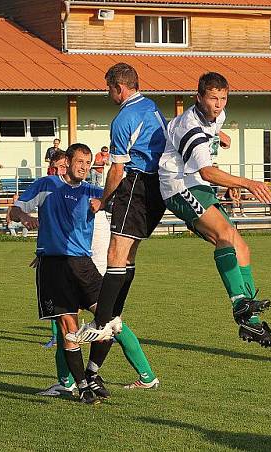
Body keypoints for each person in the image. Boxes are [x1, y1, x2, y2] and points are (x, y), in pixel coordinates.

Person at [11, 145, 160, 400]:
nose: (84, 167)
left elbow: (129, 205)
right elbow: (13, 210)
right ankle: (81, 387)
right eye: (79, 161)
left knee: (111, 321)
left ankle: (92, 373)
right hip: (54, 266)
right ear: (67, 162)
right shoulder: (46, 184)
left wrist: (105, 201)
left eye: (88, 163)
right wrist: (24, 216)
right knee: (68, 328)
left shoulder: (93, 192)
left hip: (84, 264)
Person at [157, 72, 271, 347]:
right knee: (224, 235)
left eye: (223, 98)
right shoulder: (189, 126)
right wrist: (246, 182)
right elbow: (207, 171)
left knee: (243, 249)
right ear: (198, 97)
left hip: (197, 184)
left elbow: (213, 132)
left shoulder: (216, 116)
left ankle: (253, 325)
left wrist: (219, 135)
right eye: (213, 98)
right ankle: (240, 305)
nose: (219, 104)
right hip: (179, 185)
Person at [68, 63, 168, 344]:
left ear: (119, 88)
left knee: (115, 255)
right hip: (157, 188)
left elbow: (116, 170)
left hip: (137, 185)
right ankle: (114, 316)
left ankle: (102, 322)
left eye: (108, 87)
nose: (107, 92)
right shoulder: (152, 107)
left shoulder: (124, 118)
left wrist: (102, 199)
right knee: (128, 256)